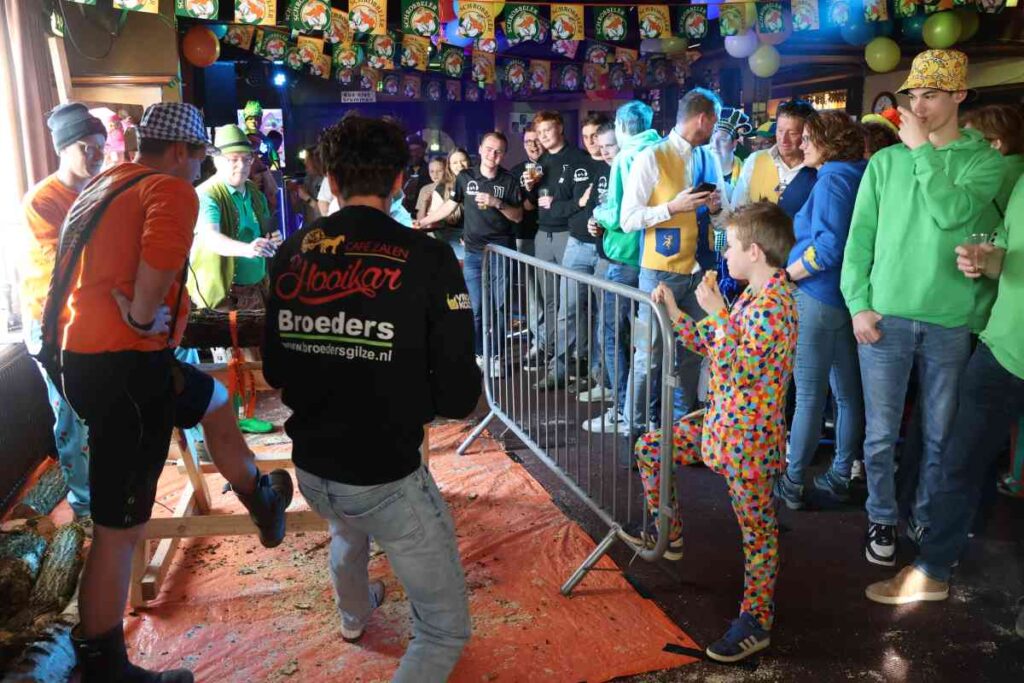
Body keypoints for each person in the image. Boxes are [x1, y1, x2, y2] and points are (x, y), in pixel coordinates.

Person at [44, 102, 292, 683]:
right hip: (122, 366)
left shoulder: (109, 181)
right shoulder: (170, 189)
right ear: (181, 151)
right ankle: (105, 665)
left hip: (92, 358)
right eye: (200, 156)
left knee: (214, 401)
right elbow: (158, 262)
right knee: (119, 527)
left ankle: (260, 497)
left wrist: (130, 311)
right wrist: (139, 313)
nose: (199, 167)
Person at [263, 113, 480, 682]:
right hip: (384, 472)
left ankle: (354, 614)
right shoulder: (428, 257)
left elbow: (277, 369)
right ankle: (356, 612)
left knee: (345, 524)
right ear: (400, 180)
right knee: (444, 631)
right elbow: (458, 395)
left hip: (313, 468)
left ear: (331, 181)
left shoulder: (293, 252)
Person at [840, 49, 1005, 566]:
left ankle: (926, 515)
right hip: (884, 316)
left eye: (931, 95)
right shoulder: (884, 164)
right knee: (880, 436)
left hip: (949, 322)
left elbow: (952, 213)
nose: (919, 106)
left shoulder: (985, 162)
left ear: (959, 95)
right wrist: (858, 305)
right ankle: (881, 517)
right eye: (914, 95)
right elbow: (858, 241)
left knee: (939, 435)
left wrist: (920, 153)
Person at [629, 202, 797, 662]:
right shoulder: (752, 295)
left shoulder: (775, 306)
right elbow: (711, 344)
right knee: (651, 448)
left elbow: (739, 370)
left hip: (749, 439)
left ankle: (756, 620)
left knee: (758, 534)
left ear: (755, 251)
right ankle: (669, 532)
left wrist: (719, 315)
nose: (724, 254)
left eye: (732, 246)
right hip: (721, 424)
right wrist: (675, 312)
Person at [864, 172, 1024, 640]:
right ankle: (932, 568)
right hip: (1001, 347)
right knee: (957, 459)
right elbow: (1007, 254)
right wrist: (987, 260)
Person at [774, 111, 868, 510]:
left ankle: (793, 481)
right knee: (846, 394)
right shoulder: (859, 172)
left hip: (817, 295)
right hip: (845, 297)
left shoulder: (831, 179)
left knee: (810, 396)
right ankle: (841, 473)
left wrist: (787, 276)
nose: (802, 144)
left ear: (830, 144)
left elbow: (828, 248)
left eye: (809, 138)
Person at [19, 103, 106, 527]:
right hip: (52, 324)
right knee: (71, 414)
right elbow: (60, 265)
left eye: (100, 147)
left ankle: (105, 493)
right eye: (86, 147)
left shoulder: (99, 191)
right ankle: (85, 507)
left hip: (93, 318)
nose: (95, 155)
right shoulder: (42, 200)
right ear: (63, 149)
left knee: (99, 408)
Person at [619, 88, 726, 431]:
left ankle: (681, 430)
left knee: (694, 354)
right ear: (703, 119)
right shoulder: (651, 157)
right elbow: (628, 219)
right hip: (659, 272)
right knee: (648, 357)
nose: (715, 128)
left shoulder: (709, 158)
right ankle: (634, 430)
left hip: (701, 272)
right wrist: (671, 208)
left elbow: (723, 220)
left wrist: (716, 210)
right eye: (715, 121)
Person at [582, 100, 661, 434]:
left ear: (621, 127)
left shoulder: (628, 158)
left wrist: (598, 214)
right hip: (654, 260)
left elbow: (618, 216)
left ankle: (624, 410)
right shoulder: (662, 148)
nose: (605, 151)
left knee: (612, 335)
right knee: (647, 341)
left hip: (626, 260)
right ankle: (649, 413)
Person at [417, 132, 523, 373]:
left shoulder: (509, 180)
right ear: (480, 148)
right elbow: (450, 204)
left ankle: (495, 356)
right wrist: (424, 221)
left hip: (502, 253)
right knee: (475, 308)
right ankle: (479, 353)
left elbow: (518, 216)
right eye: (489, 149)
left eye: (498, 151)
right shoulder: (466, 177)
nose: (492, 155)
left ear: (503, 155)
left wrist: (497, 203)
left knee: (500, 308)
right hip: (474, 254)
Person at [960, 104, 1024, 498]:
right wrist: (989, 258)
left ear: (995, 144)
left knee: (965, 453)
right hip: (1000, 328)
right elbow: (1004, 245)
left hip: (993, 326)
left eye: (971, 140)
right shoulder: (1020, 178)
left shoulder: (999, 176)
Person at [537, 112, 612, 390]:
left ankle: (597, 375)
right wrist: (578, 204)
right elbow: (555, 205)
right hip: (577, 244)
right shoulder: (577, 162)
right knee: (566, 309)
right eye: (586, 136)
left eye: (596, 136)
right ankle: (558, 369)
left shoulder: (616, 165)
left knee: (602, 315)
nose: (591, 141)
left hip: (606, 249)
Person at [520, 110, 592, 378]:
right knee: (550, 299)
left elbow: (582, 202)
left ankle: (578, 355)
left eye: (547, 130)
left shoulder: (578, 158)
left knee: (573, 302)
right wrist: (529, 187)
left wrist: (556, 204)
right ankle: (553, 352)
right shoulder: (541, 162)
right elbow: (531, 203)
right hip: (543, 235)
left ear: (560, 128)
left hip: (568, 235)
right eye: (539, 132)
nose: (543, 136)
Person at [188, 124, 276, 313]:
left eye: (247, 158)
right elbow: (211, 238)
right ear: (216, 160)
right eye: (233, 159)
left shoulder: (254, 192)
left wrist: (272, 239)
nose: (242, 166)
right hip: (222, 299)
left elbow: (265, 230)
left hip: (258, 290)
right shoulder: (207, 194)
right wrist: (248, 249)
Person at [732, 99, 817, 218]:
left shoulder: (818, 169)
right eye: (780, 130)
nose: (783, 140)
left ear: (807, 134)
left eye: (792, 133)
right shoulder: (755, 160)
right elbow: (737, 210)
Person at [508, 124, 543, 355]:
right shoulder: (516, 172)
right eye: (528, 141)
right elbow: (522, 207)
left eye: (536, 140)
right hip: (525, 236)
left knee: (557, 292)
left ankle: (560, 342)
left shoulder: (555, 165)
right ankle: (538, 341)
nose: (533, 145)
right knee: (532, 293)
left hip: (556, 236)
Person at [428, 148, 471, 260]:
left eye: (463, 161)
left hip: (476, 235)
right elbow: (434, 218)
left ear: (469, 162)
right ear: (449, 166)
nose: (460, 165)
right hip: (452, 237)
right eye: (455, 162)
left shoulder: (478, 183)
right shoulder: (442, 188)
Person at [710, 107, 753, 201]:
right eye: (711, 140)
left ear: (734, 144)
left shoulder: (748, 174)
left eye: (722, 140)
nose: (715, 145)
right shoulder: (701, 172)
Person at [401, 135, 431, 215]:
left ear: (423, 151)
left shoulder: (431, 170)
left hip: (425, 213)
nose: (414, 154)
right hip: (403, 214)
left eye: (418, 150)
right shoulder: (401, 170)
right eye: (411, 150)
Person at [415, 156, 446, 221]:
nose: (435, 174)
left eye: (439, 171)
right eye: (432, 171)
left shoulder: (452, 188)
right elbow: (420, 219)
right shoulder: (425, 189)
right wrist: (425, 202)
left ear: (446, 171)